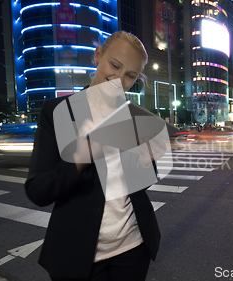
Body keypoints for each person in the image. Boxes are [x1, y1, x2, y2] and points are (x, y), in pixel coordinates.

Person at [25, 31, 165, 281]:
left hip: (133, 246)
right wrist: (80, 159)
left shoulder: (133, 116)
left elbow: (142, 183)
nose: (119, 80)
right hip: (79, 254)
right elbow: (37, 190)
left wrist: (148, 160)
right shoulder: (59, 111)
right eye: (114, 65)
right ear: (97, 55)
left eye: (130, 75)